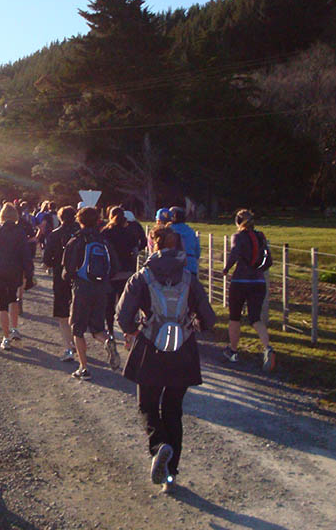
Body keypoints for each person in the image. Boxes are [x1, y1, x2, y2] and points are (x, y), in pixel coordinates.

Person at [116, 223, 216, 493]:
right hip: (183, 349)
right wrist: (193, 325)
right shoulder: (188, 278)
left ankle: (159, 446)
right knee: (173, 409)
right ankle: (171, 474)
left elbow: (123, 317)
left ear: (153, 245)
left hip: (151, 347)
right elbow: (208, 319)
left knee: (147, 405)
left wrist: (135, 331)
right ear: (178, 246)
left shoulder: (142, 277)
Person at [61, 206, 121, 379]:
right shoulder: (104, 241)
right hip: (101, 288)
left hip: (82, 288)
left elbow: (68, 270)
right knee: (97, 328)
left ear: (79, 220)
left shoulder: (76, 240)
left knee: (77, 329)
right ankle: (107, 340)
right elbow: (115, 267)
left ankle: (84, 367)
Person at [221, 209, 276, 372]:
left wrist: (226, 269)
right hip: (258, 282)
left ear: (238, 222)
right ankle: (268, 348)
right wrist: (257, 269)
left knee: (234, 317)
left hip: (240, 280)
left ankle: (233, 351)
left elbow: (234, 253)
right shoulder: (260, 237)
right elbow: (269, 261)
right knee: (255, 318)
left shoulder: (238, 236)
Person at [0, 203, 35, 350]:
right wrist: (29, 273)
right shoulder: (20, 232)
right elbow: (25, 254)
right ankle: (15, 328)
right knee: (13, 298)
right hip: (14, 270)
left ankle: (5, 337)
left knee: (2, 304)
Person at [101, 206, 146, 336]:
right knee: (126, 305)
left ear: (110, 216)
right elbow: (138, 245)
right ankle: (127, 332)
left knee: (109, 304)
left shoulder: (106, 232)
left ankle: (110, 331)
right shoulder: (130, 232)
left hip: (111, 272)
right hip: (127, 271)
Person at [42, 205, 79, 362]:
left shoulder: (55, 235)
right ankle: (79, 341)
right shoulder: (80, 233)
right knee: (77, 312)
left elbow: (46, 259)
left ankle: (69, 347)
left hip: (61, 276)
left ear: (60, 218)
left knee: (63, 315)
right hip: (80, 278)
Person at [169, 206, 199, 275]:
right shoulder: (191, 232)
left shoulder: (169, 230)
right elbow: (197, 252)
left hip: (174, 265)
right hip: (191, 265)